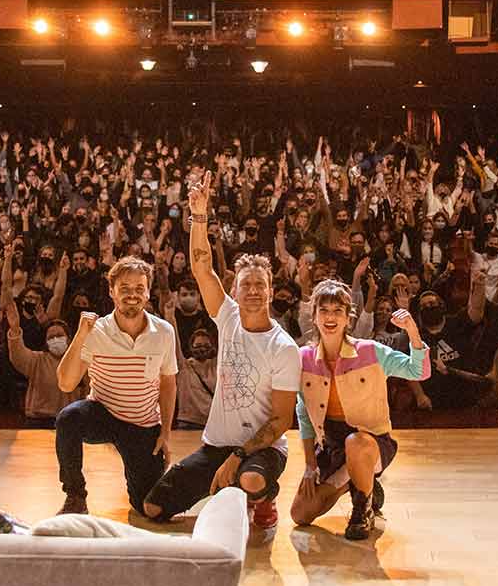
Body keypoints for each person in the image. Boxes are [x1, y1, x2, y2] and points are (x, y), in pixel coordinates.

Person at [141, 173, 301, 531]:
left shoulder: (284, 348)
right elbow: (201, 266)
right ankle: (230, 488)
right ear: (235, 289)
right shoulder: (227, 316)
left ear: (272, 292)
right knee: (153, 507)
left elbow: (279, 421)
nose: (254, 291)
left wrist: (239, 457)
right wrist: (199, 215)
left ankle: (262, 498)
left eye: (261, 285)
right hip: (216, 445)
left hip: (261, 450)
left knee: (251, 480)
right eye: (247, 285)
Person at [290, 278, 428, 540]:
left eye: (337, 311)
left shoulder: (370, 351)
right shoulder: (303, 359)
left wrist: (412, 331)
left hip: (370, 441)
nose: (330, 317)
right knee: (301, 514)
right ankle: (356, 482)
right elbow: (303, 413)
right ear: (315, 316)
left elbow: (418, 370)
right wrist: (310, 464)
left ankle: (362, 509)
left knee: (356, 443)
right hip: (330, 445)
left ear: (347, 317)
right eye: (324, 311)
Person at [54, 255, 177, 516]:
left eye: (139, 289)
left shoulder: (164, 332)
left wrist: (165, 432)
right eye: (124, 289)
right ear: (111, 292)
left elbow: (168, 383)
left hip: (142, 424)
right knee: (69, 418)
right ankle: (75, 495)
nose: (132, 295)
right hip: (103, 414)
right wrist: (81, 334)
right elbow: (66, 383)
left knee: (148, 507)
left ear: (147, 293)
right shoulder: (96, 330)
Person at [3, 300, 86, 425]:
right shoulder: (37, 360)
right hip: (38, 420)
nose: (55, 339)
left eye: (59, 335)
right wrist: (15, 329)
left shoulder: (80, 360)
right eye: (51, 337)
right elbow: (17, 355)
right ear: (46, 342)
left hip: (70, 420)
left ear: (69, 339)